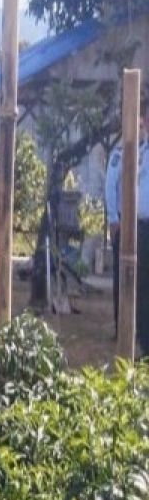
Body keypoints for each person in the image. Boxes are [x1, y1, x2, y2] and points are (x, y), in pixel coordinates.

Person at [104, 102, 149, 351]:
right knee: (126, 278)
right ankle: (125, 326)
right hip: (127, 223)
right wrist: (113, 218)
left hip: (139, 225)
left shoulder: (142, 151)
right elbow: (111, 188)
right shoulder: (123, 154)